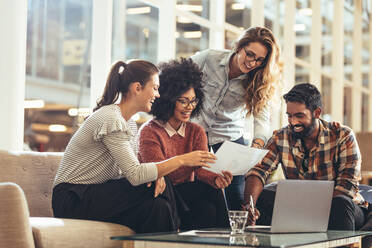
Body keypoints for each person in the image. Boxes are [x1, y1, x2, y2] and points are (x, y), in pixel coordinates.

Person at [52, 60, 217, 234]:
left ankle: (177, 236)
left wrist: (155, 176)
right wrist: (182, 160)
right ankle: (180, 234)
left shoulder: (129, 124)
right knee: (162, 180)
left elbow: (128, 172)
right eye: (154, 88)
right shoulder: (111, 118)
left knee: (157, 207)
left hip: (97, 195)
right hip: (72, 199)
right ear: (137, 88)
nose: (158, 94)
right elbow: (135, 175)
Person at [243, 83, 367, 230]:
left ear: (316, 112)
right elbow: (259, 170)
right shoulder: (281, 137)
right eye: (289, 116)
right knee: (261, 198)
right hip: (298, 206)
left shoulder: (343, 135)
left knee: (341, 203)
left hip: (340, 207)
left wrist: (307, 208)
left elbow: (346, 187)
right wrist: (250, 205)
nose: (293, 122)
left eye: (299, 116)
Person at [191, 26, 281, 210]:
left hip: (229, 138)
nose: (252, 63)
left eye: (259, 60)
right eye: (250, 54)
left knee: (237, 198)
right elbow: (176, 77)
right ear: (239, 47)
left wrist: (257, 144)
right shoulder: (209, 58)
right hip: (196, 132)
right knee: (201, 194)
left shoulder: (258, 79)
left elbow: (262, 119)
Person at [138, 58, 231, 229]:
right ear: (168, 99)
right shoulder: (149, 131)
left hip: (187, 195)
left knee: (208, 208)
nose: (190, 107)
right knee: (207, 194)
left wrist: (216, 179)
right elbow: (158, 171)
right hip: (160, 192)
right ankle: (231, 238)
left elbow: (201, 169)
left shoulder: (196, 131)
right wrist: (186, 159)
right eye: (183, 101)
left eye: (194, 101)